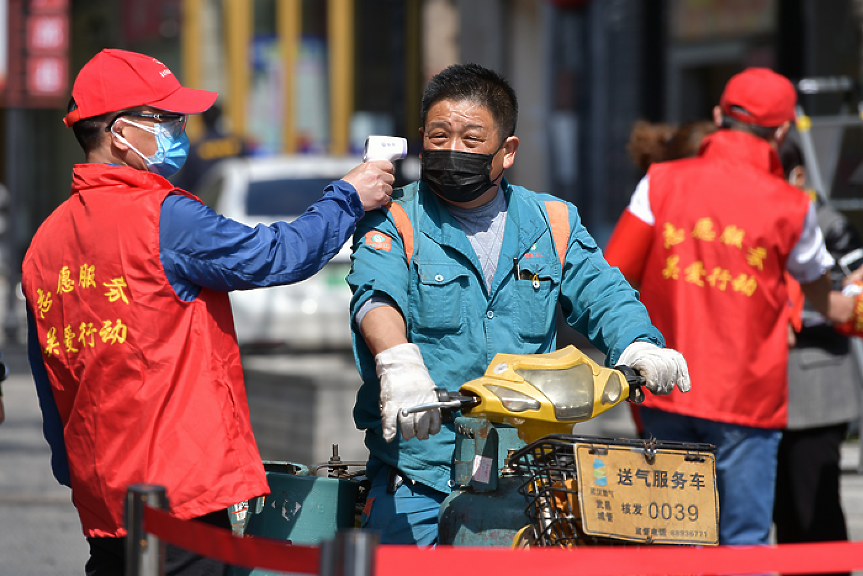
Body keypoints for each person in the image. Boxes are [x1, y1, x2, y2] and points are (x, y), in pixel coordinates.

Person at [21, 48, 394, 576]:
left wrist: (77, 470)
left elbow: (48, 379)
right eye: (168, 118)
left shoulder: (46, 241)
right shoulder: (164, 217)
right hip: (183, 492)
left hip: (104, 497)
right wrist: (347, 196)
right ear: (121, 131)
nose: (181, 129)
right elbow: (276, 256)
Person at [347, 62, 691, 546]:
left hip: (524, 469)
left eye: (471, 140)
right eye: (440, 136)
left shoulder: (552, 221)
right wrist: (398, 362)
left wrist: (638, 344)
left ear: (506, 151)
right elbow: (375, 296)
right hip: (420, 470)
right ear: (422, 138)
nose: (452, 151)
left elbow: (604, 292)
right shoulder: (395, 217)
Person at [603, 67, 856, 549]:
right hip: (748, 400)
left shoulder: (660, 182)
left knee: (670, 541)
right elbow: (826, 299)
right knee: (742, 542)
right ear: (782, 131)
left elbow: (611, 277)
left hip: (665, 388)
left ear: (720, 116)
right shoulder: (792, 205)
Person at [773, 135, 861, 572]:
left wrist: (796, 314)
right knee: (784, 511)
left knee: (817, 508)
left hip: (818, 385)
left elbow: (857, 292)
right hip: (763, 385)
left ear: (798, 175)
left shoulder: (829, 223)